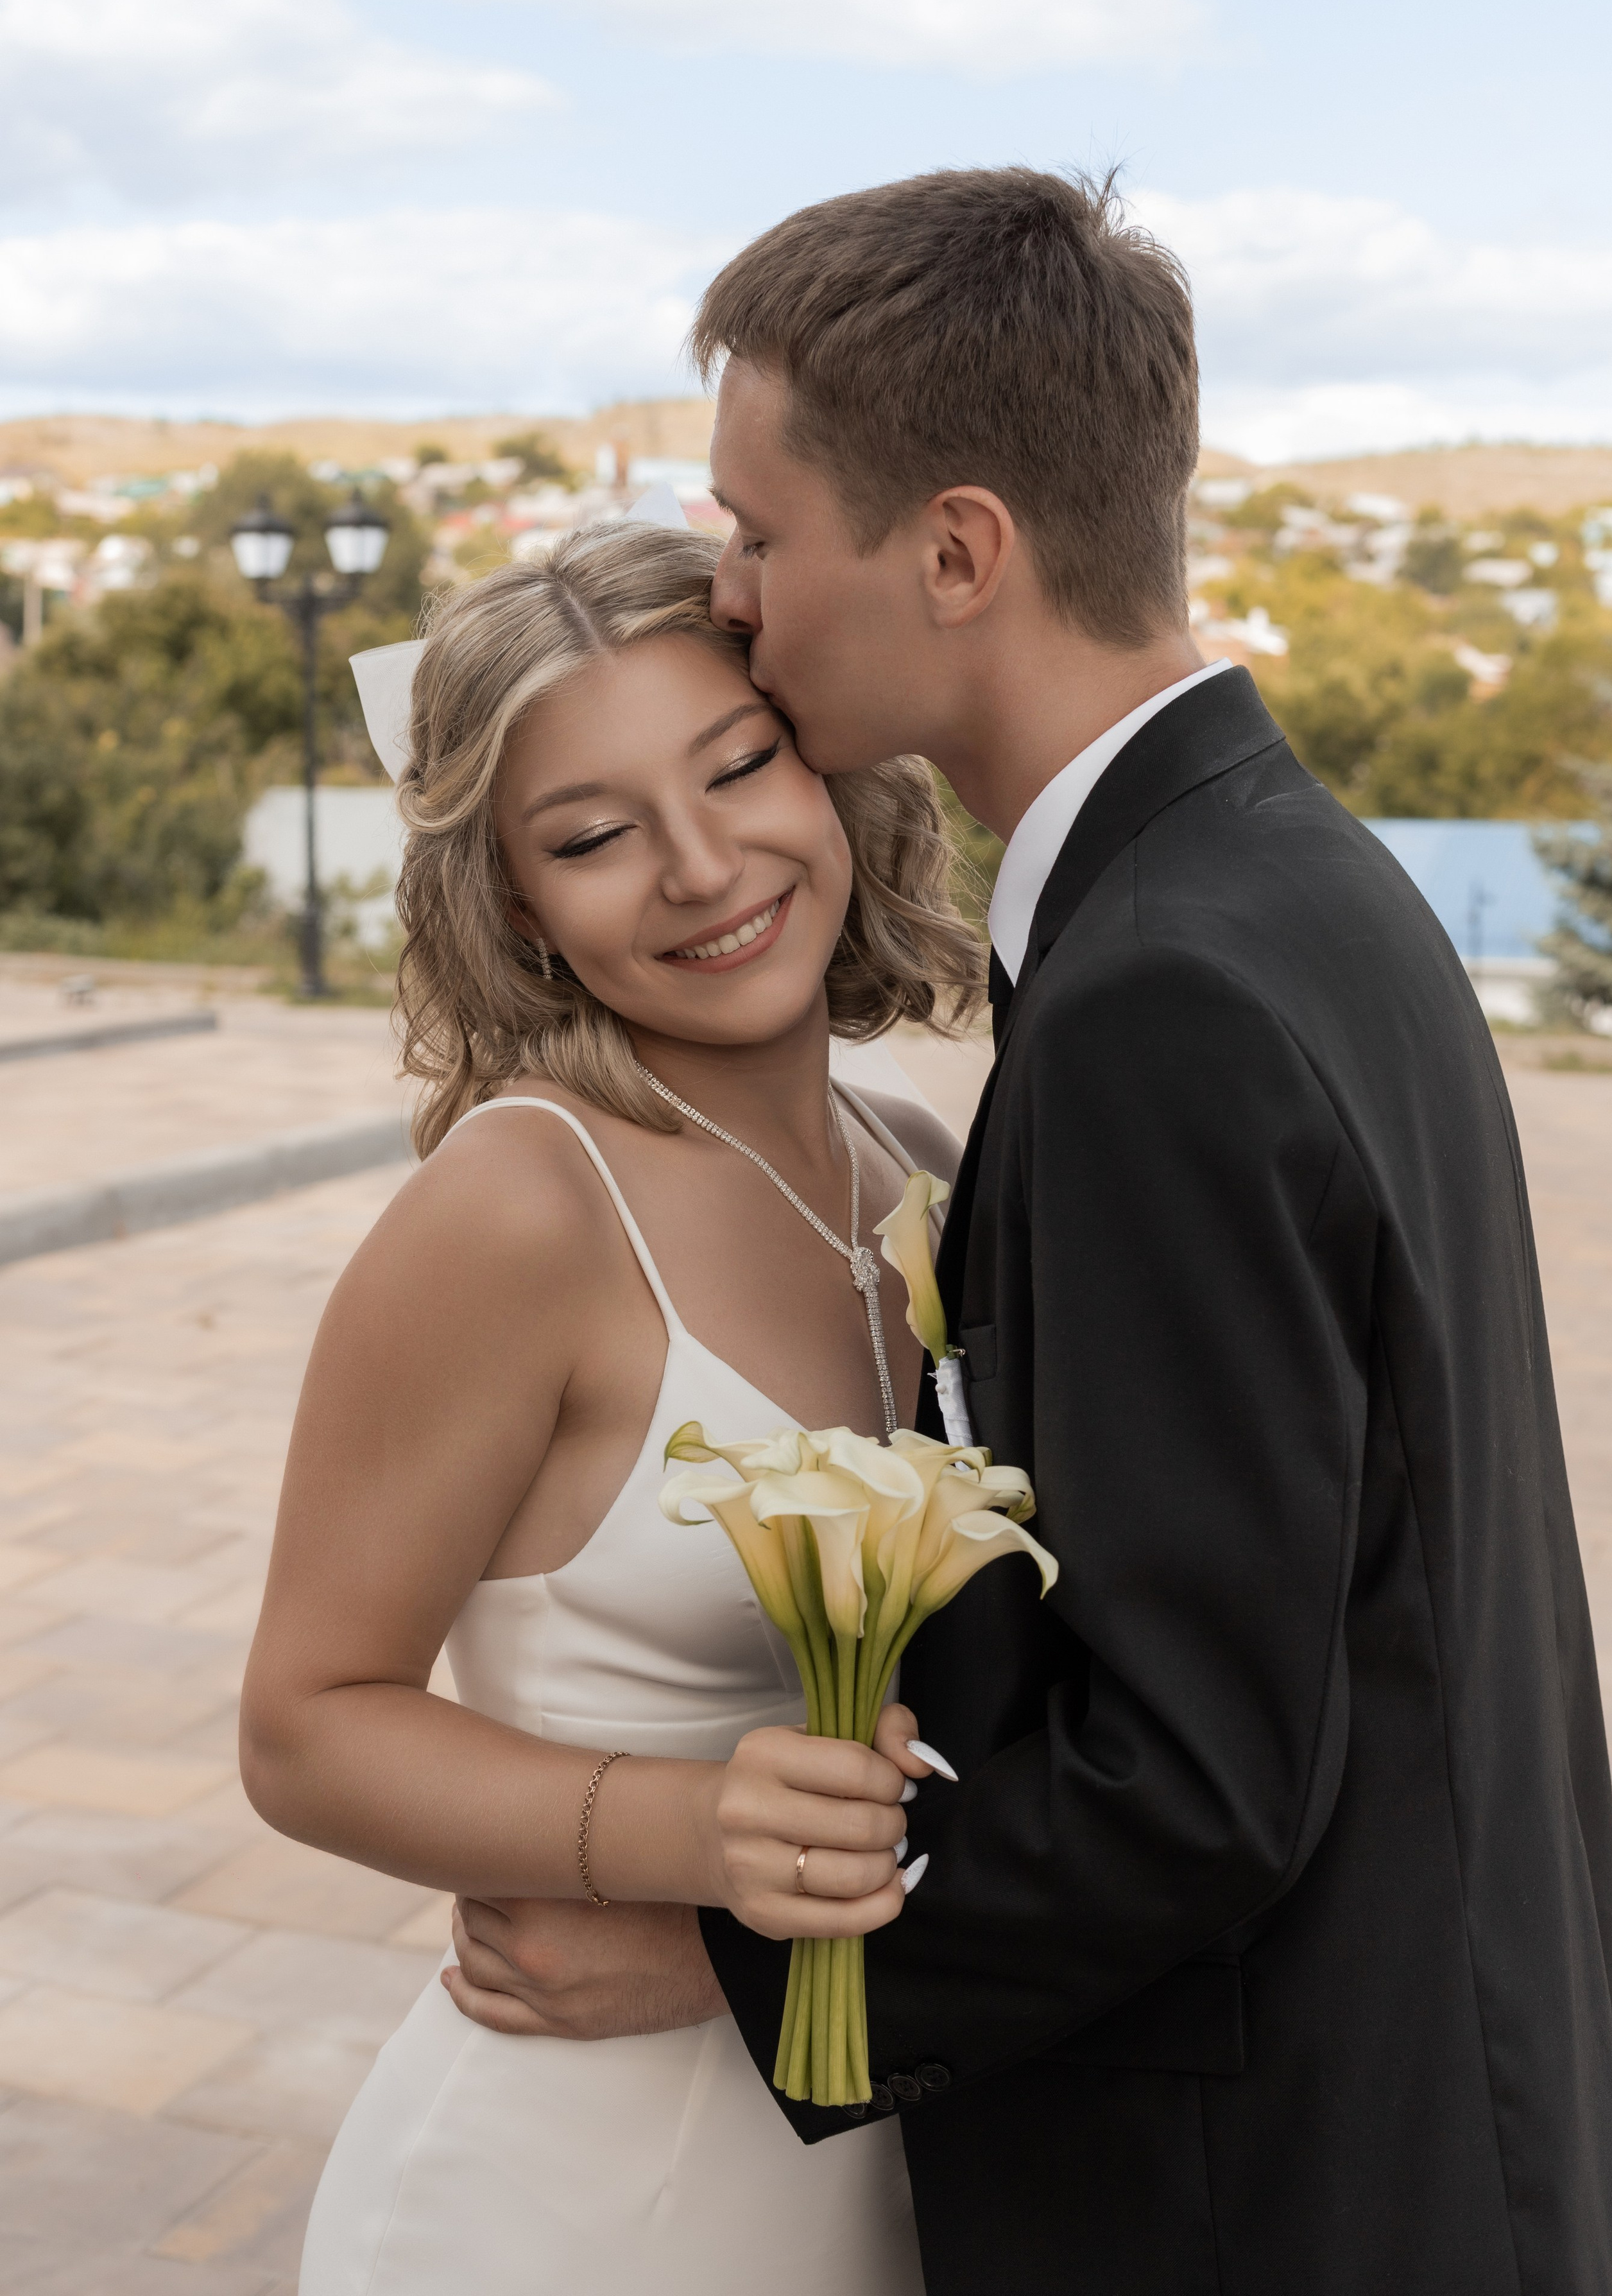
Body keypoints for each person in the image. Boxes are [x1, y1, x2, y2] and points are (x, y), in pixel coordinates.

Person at [459, 171, 1612, 2296]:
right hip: (1433, 2125)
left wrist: (740, 1969)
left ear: (958, 551)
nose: (730, 593)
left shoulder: (1158, 1001)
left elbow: (1190, 1775)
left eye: (756, 531)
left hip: (1268, 2205)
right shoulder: (1309, 884)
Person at [240, 514, 988, 2295]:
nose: (702, 865)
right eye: (590, 836)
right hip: (567, 2199)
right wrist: (688, 1839)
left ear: (831, 769)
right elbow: (303, 1724)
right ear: (512, 903)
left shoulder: (930, 1170)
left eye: (739, 766)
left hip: (880, 2166)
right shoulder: (523, 1210)